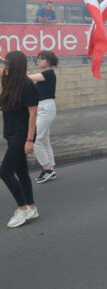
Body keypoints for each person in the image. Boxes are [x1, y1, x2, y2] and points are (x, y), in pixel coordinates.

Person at [0, 51, 39, 228]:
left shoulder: (28, 85)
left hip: (23, 134)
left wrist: (29, 140)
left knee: (5, 172)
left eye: (8, 64)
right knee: (22, 172)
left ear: (14, 66)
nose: (4, 67)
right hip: (10, 132)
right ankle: (32, 207)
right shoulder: (9, 82)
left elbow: (33, 114)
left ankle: (23, 209)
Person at [28, 50, 58, 183]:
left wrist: (20, 71)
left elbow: (29, 77)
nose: (38, 60)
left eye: (41, 59)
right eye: (38, 58)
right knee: (44, 139)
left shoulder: (49, 73)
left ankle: (47, 169)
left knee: (35, 141)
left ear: (49, 61)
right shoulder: (44, 74)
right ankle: (50, 168)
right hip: (43, 107)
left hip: (46, 108)